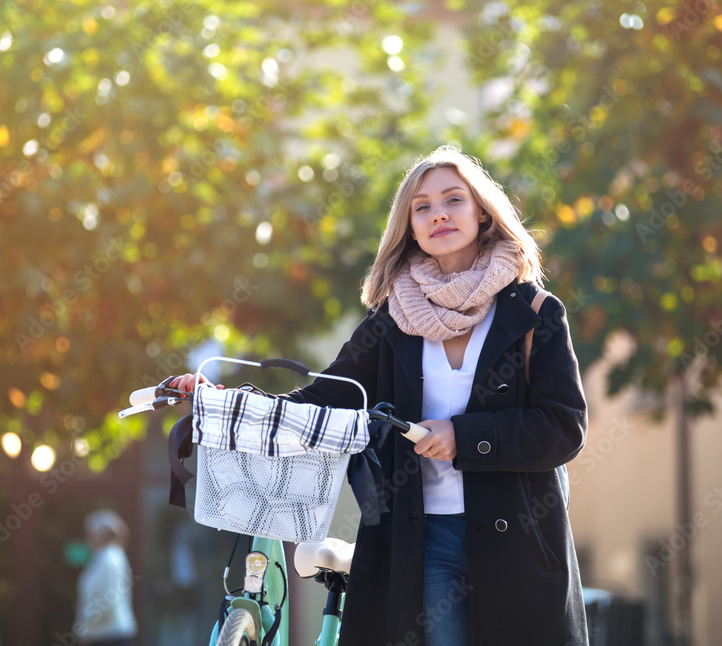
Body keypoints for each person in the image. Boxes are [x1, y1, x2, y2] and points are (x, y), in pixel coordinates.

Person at [170, 145, 588, 645]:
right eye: (422, 207)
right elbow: (325, 398)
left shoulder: (535, 313)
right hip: (421, 544)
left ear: (482, 211)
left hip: (518, 547)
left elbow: (564, 427)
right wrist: (226, 401)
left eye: (453, 200)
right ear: (410, 227)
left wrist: (464, 436)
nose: (438, 214)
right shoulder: (392, 320)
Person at [73, 510, 138, 646]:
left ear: (100, 534)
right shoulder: (101, 557)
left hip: (111, 637)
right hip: (105, 636)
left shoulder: (110, 558)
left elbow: (107, 601)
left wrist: (84, 626)